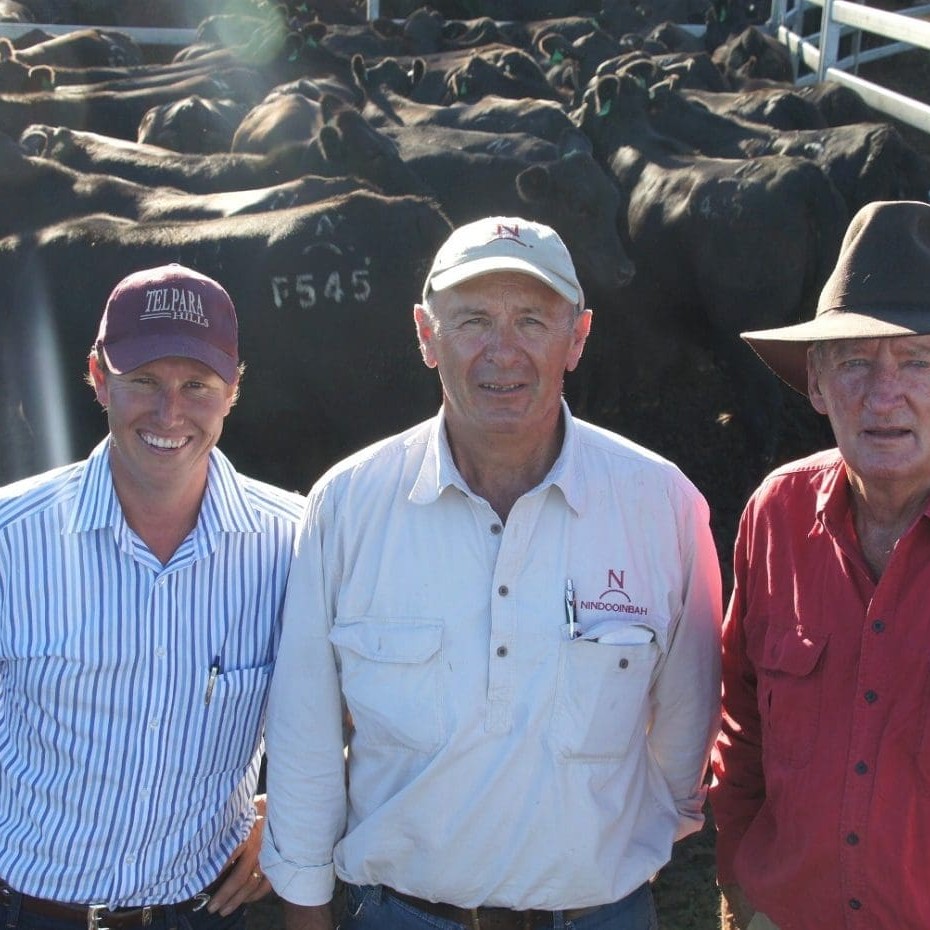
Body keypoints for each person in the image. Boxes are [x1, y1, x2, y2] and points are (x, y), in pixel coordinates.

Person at [260, 216, 723, 930]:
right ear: (424, 333)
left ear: (578, 337)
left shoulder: (661, 504)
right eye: (472, 320)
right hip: (403, 915)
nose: (501, 352)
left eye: (532, 321)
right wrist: (306, 911)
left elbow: (685, 733)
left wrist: (611, 850)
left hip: (599, 916)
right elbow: (306, 737)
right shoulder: (349, 505)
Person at [0, 264, 304, 930]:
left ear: (232, 390)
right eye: (143, 381)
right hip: (33, 909)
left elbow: (356, 711)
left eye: (196, 385)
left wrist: (283, 817)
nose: (169, 413)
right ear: (99, 377)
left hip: (202, 911)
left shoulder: (296, 542)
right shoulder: (10, 539)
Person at [710, 199, 930, 930]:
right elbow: (741, 723)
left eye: (918, 360)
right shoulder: (776, 515)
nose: (884, 393)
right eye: (855, 363)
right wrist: (737, 875)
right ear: (814, 383)